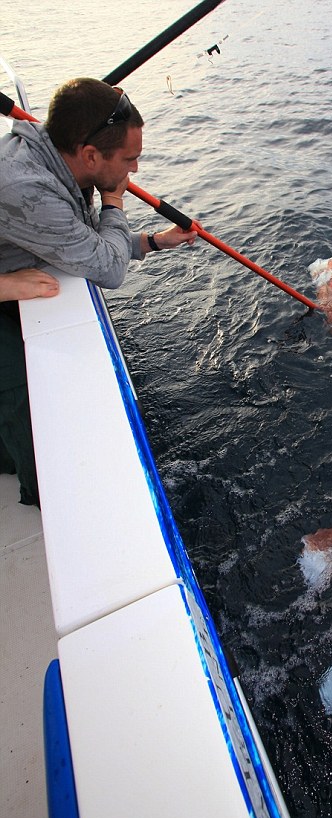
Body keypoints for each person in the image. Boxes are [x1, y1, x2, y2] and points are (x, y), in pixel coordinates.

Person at [0, 78, 197, 506]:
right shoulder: (26, 186)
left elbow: (84, 242)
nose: (135, 171)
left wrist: (151, 242)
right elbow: (107, 268)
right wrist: (114, 202)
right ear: (90, 155)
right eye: (130, 159)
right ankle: (53, 500)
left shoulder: (57, 164)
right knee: (22, 403)